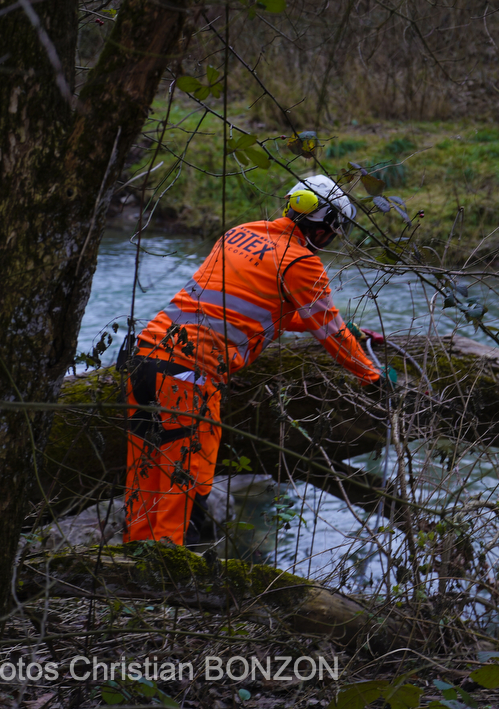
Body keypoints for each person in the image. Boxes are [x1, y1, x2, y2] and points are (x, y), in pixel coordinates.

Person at [117, 174, 385, 546]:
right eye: (332, 231)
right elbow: (331, 332)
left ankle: (136, 563)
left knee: (145, 474)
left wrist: (329, 325)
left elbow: (254, 306)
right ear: (323, 226)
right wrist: (372, 378)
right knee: (185, 480)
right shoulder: (301, 263)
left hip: (144, 357)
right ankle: (166, 574)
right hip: (188, 376)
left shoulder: (241, 232)